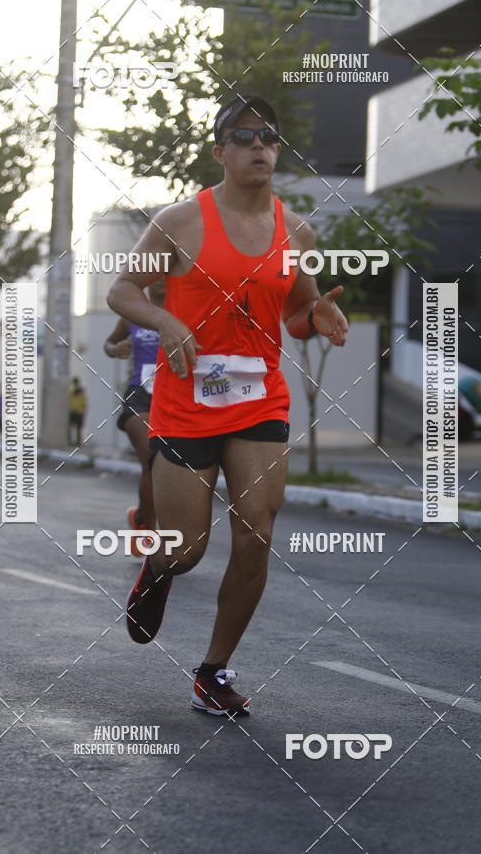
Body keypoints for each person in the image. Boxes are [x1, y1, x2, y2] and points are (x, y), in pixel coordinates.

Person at [107, 95, 348, 717]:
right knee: (186, 550)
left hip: (260, 400)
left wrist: (317, 317)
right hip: (187, 400)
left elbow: (296, 311)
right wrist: (164, 318)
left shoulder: (299, 231)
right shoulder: (180, 221)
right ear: (220, 152)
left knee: (256, 534)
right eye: (245, 136)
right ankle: (158, 570)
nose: (261, 146)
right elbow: (122, 288)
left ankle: (212, 671)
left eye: (270, 136)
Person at [104, 281, 165, 556]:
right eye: (157, 274)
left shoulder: (186, 310)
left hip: (175, 399)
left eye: (169, 272)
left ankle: (140, 516)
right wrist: (114, 349)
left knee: (170, 468)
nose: (163, 278)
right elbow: (109, 342)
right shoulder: (133, 314)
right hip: (139, 396)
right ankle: (146, 530)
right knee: (151, 459)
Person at [68, 378, 87, 447]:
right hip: (77, 411)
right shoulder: (78, 390)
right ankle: (76, 442)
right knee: (77, 428)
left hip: (74, 411)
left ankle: (73, 441)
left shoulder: (74, 390)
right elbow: (84, 402)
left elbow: (84, 401)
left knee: (74, 428)